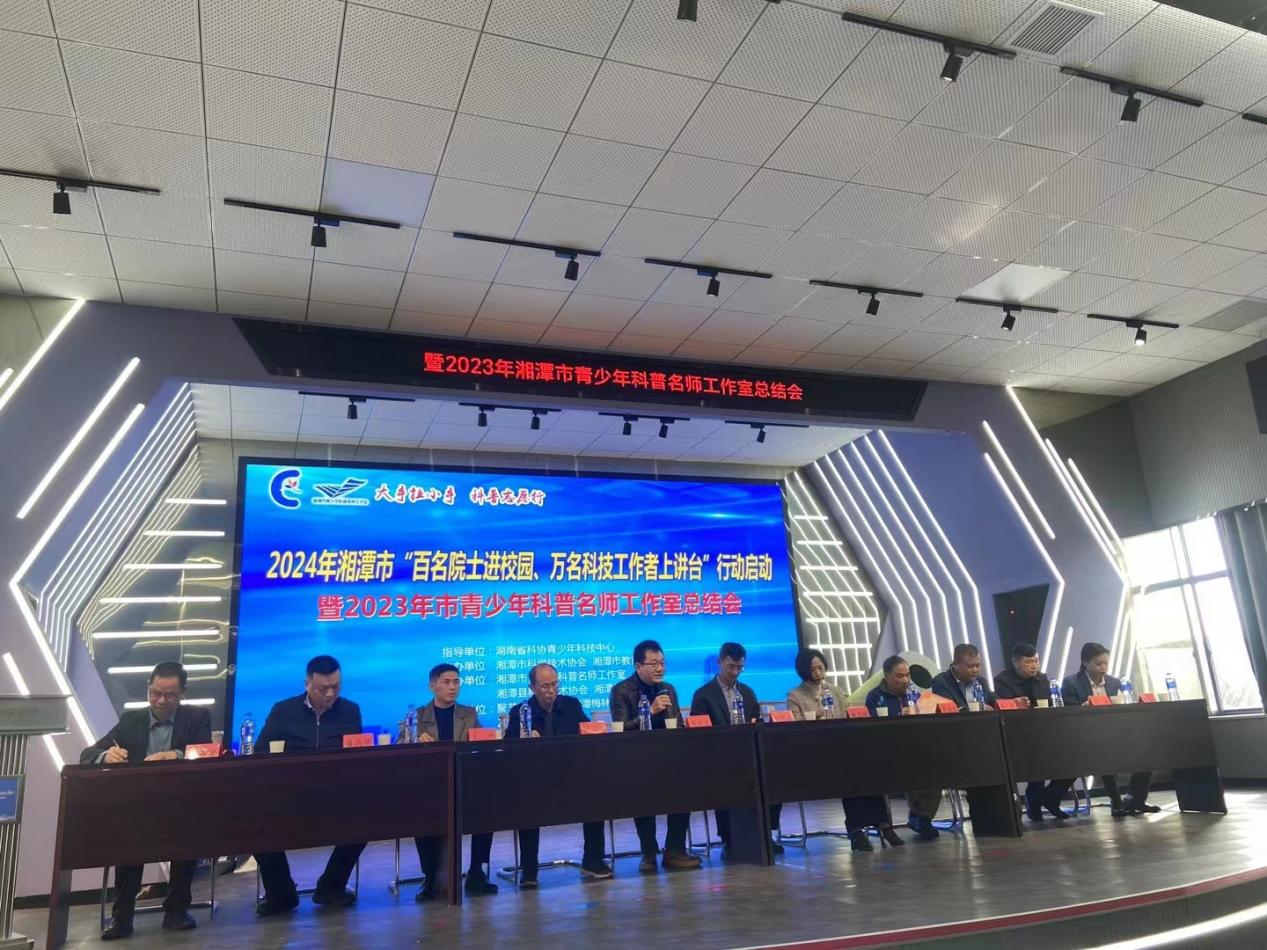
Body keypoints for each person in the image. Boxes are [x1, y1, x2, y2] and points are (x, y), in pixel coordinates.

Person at [81, 662, 212, 940]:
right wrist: (105, 756)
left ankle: (176, 911)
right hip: (138, 804)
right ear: (148, 689)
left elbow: (207, 752)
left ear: (183, 693)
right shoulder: (132, 720)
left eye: (169, 695)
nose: (161, 701)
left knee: (189, 832)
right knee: (129, 840)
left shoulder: (197, 717)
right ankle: (121, 918)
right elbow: (88, 753)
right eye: (155, 693)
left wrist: (176, 755)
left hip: (181, 803)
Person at [253, 655, 366, 915]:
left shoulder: (350, 710)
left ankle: (331, 886)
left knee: (366, 819)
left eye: (336, 687)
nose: (330, 694)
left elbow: (357, 755)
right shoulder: (283, 711)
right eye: (322, 688)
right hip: (288, 794)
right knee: (254, 824)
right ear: (307, 684)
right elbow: (261, 752)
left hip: (335, 794)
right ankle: (281, 893)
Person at [504, 664, 613, 886]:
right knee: (527, 803)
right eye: (545, 686)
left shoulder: (571, 705)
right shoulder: (520, 711)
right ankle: (529, 871)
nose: (551, 690)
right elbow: (508, 747)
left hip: (570, 775)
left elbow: (587, 732)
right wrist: (524, 738)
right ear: (532, 688)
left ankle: (592, 860)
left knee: (595, 794)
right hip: (535, 779)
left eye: (555, 684)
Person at [783, 648, 898, 852]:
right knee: (848, 772)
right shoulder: (795, 695)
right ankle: (855, 830)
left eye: (821, 667)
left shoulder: (835, 690)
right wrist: (817, 716)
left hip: (843, 747)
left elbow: (850, 714)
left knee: (869, 767)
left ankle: (882, 824)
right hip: (816, 753)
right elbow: (795, 727)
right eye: (813, 669)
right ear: (803, 671)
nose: (818, 673)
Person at [609, 639, 702, 872]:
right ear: (638, 666)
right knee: (643, 797)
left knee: (686, 788)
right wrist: (649, 712)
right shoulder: (621, 691)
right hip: (637, 761)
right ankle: (649, 853)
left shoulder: (668, 689)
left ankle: (675, 850)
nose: (660, 668)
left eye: (662, 663)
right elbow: (621, 728)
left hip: (670, 758)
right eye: (654, 663)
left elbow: (676, 725)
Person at [688, 643, 783, 857]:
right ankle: (729, 838)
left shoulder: (747, 692)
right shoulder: (703, 694)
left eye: (740, 667)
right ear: (719, 662)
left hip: (748, 755)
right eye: (731, 667)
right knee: (725, 780)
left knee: (773, 775)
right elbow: (698, 730)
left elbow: (756, 721)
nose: (735, 672)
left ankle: (765, 831)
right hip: (718, 757)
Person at [412, 663, 498, 899]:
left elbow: (479, 743)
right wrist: (416, 740)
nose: (453, 687)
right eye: (447, 682)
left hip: (463, 782)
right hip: (431, 785)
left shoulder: (469, 714)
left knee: (486, 809)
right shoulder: (418, 716)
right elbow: (401, 743)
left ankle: (477, 872)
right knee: (421, 814)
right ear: (432, 686)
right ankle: (431, 877)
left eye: (456, 682)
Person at [1061, 642, 1158, 818]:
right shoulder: (1071, 683)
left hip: (1116, 732)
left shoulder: (1114, 682)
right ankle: (1116, 800)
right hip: (1087, 736)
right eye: (1098, 664)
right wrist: (1083, 706)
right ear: (1085, 662)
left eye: (1106, 663)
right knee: (1105, 750)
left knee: (1146, 750)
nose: (1103, 668)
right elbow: (1066, 710)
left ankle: (1135, 799)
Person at [864, 655, 943, 840]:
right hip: (888, 752)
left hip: (917, 748)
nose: (906, 680)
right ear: (887, 676)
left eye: (907, 675)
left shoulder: (915, 695)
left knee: (937, 765)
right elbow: (872, 729)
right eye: (900, 676)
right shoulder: (875, 697)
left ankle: (921, 817)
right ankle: (915, 817)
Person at [994, 642, 1074, 821]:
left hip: (1045, 732)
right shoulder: (1002, 680)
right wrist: (1014, 703)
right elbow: (999, 706)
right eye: (1029, 662)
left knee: (1073, 757)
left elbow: (1053, 704)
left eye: (1036, 661)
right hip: (1017, 736)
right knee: (1036, 758)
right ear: (1016, 662)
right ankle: (1037, 801)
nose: (1034, 666)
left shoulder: (1043, 679)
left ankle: (1047, 798)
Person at [931, 643, 997, 711]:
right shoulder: (941, 682)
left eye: (977, 665)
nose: (975, 670)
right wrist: (977, 709)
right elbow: (948, 710)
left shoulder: (981, 681)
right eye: (970, 666)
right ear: (956, 665)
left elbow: (994, 700)